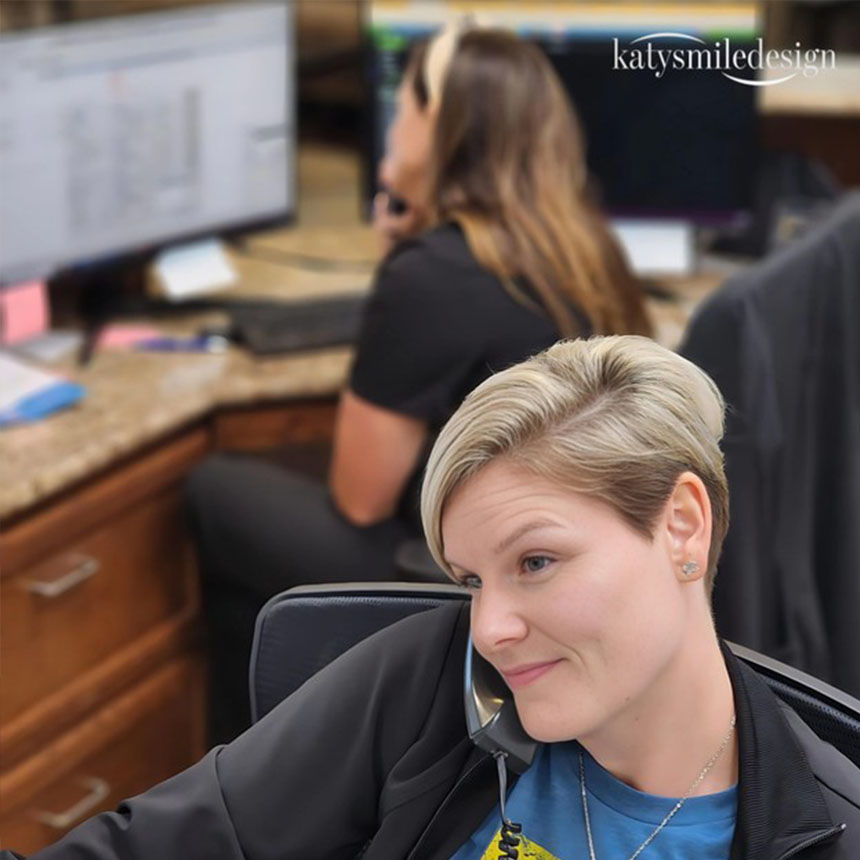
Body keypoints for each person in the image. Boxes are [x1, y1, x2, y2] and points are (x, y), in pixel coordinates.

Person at [8, 335, 859, 860]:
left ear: (681, 526)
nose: (489, 628)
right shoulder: (430, 684)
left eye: (535, 562)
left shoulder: (831, 831)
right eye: (470, 579)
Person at [187, 23, 650, 744]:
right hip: (570, 558)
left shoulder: (434, 273)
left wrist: (399, 269)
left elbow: (361, 499)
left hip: (469, 576)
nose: (390, 127)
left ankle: (241, 775)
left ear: (441, 130)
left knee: (215, 491)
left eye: (402, 108)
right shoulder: (586, 248)